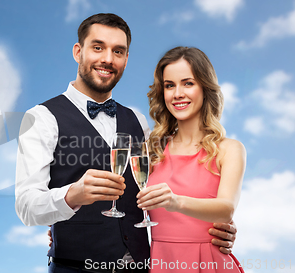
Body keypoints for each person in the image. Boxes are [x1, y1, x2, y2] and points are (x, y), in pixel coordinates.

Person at [16, 13, 236, 273]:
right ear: (78, 51)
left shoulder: (138, 121)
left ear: (126, 59)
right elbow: (27, 207)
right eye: (97, 47)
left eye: (118, 51)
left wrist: (215, 229)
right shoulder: (41, 118)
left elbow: (172, 187)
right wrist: (71, 196)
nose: (108, 59)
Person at [137, 46, 246, 272]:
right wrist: (65, 229)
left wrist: (175, 202)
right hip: (161, 263)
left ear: (205, 88)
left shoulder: (229, 149)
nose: (177, 93)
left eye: (188, 83)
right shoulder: (151, 151)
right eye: (169, 85)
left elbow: (226, 208)